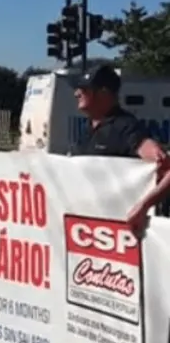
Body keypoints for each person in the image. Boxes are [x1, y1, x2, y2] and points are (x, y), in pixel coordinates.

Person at [66, 65, 170, 233]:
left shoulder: (125, 127)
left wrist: (143, 206)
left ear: (104, 93)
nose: (76, 93)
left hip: (117, 233)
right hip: (86, 229)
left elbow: (166, 166)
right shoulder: (88, 129)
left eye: (84, 88)